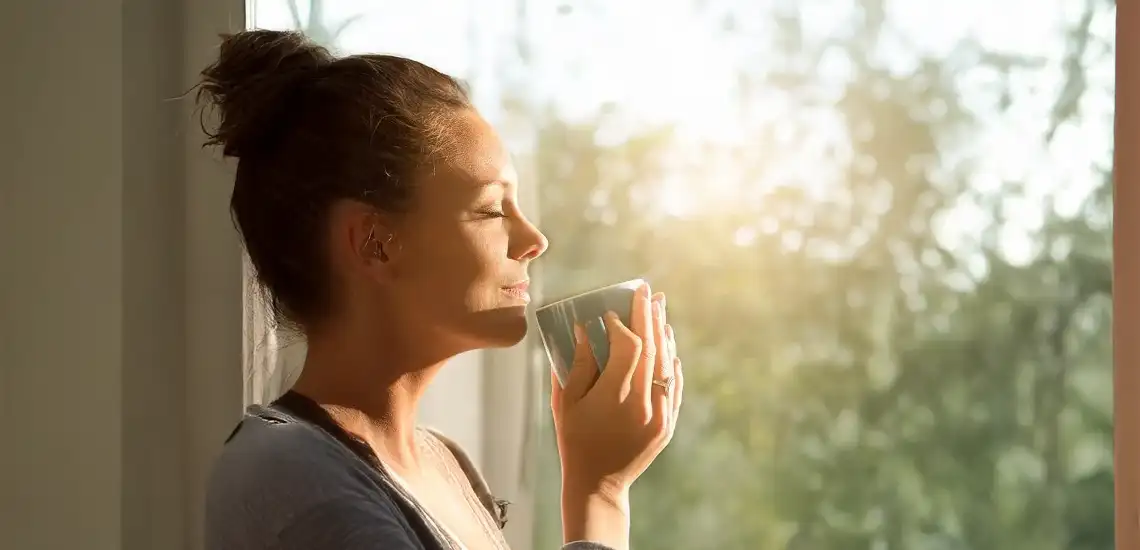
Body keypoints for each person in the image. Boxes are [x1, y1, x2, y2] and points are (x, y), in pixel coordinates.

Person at [198, 29, 684, 550]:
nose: (534, 240)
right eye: (493, 209)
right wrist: (600, 494)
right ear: (375, 243)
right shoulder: (292, 480)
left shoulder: (443, 462)